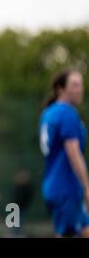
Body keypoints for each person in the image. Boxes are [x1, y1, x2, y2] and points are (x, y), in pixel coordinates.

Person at [39, 69, 89, 237]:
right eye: (74, 85)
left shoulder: (48, 112)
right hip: (66, 186)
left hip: (54, 184)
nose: (80, 89)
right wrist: (87, 186)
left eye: (81, 85)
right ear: (60, 89)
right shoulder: (67, 113)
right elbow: (74, 154)